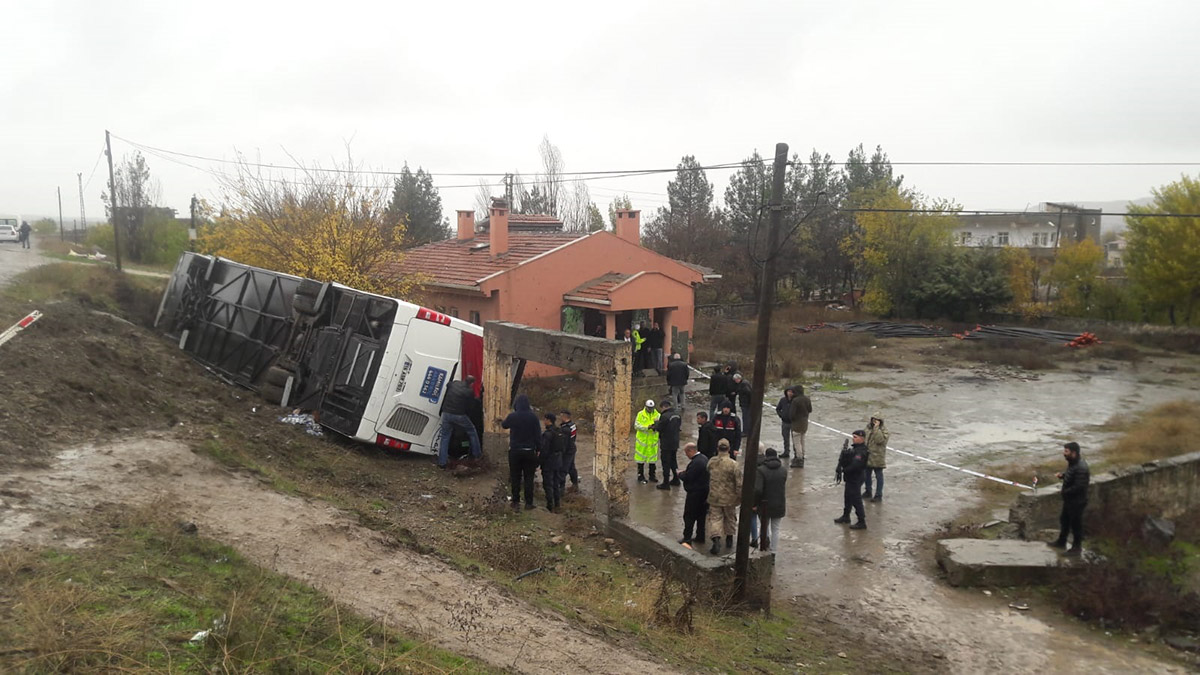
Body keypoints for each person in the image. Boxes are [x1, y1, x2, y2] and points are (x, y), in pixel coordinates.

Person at [501, 394, 541, 510]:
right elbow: (538, 436)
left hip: (515, 451)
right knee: (529, 478)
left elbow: (504, 425)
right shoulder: (533, 417)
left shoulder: (513, 416)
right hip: (529, 451)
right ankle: (529, 503)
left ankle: (515, 501)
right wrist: (538, 449)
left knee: (515, 477)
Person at [1051, 441, 1090, 556]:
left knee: (1076, 525)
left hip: (1077, 502)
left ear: (1073, 453)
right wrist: (1063, 476)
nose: (1064, 454)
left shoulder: (1081, 467)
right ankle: (1061, 542)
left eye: (1066, 451)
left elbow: (1079, 486)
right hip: (1070, 501)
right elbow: (1071, 475)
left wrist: (1065, 491)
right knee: (1064, 521)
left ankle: (1076, 548)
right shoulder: (1073, 463)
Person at [437, 375, 482, 469]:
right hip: (459, 415)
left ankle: (442, 462)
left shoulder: (454, 384)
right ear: (472, 383)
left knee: (445, 437)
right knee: (472, 431)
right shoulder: (469, 391)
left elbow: (448, 385)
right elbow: (471, 405)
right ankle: (477, 455)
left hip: (446, 413)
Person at [706, 439, 741, 554]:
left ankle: (716, 539)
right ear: (729, 449)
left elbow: (708, 471)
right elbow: (739, 483)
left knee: (715, 519)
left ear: (717, 448)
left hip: (714, 496)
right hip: (730, 498)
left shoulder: (712, 462)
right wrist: (740, 497)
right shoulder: (734, 465)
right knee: (730, 518)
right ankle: (729, 538)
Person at [754, 447, 788, 552]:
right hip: (779, 503)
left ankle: (764, 546)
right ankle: (773, 552)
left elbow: (758, 490)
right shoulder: (783, 470)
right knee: (776, 528)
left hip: (765, 504)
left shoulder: (761, 470)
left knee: (764, 526)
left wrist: (755, 503)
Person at [834, 432, 869, 529]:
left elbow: (856, 465)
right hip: (851, 477)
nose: (853, 439)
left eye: (855, 437)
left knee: (856, 499)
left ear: (862, 438)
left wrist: (844, 470)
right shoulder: (855, 449)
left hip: (856, 477)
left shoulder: (861, 451)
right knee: (848, 497)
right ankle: (846, 516)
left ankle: (861, 521)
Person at [678, 442, 709, 547]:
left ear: (690, 451)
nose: (686, 456)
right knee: (701, 516)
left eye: (686, 453)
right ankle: (700, 536)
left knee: (689, 516)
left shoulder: (696, 462)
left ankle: (687, 538)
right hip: (705, 493)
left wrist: (680, 474)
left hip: (695, 494)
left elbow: (689, 477)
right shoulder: (704, 458)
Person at [655, 399, 683, 489]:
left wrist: (655, 423)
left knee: (666, 463)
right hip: (675, 442)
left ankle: (666, 483)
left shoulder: (664, 416)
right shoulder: (677, 415)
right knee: (673, 461)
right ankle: (676, 478)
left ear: (663, 407)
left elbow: (659, 427)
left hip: (666, 443)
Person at [540, 413, 564, 512]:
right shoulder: (559, 431)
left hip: (549, 461)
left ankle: (550, 505)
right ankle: (557, 503)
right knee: (556, 482)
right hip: (558, 460)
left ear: (548, 420)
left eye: (544, 419)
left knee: (548, 484)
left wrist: (539, 461)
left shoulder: (548, 434)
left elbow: (544, 449)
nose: (543, 422)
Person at [862, 412, 889, 502]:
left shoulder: (884, 431)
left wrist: (876, 428)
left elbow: (879, 440)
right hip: (868, 456)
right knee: (866, 475)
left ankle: (878, 495)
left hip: (878, 457)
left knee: (879, 476)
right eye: (873, 420)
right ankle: (868, 491)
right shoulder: (868, 428)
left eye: (877, 420)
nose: (874, 422)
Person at [634, 399, 660, 484]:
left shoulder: (657, 415)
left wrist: (655, 427)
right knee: (641, 460)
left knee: (652, 460)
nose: (650, 409)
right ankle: (640, 476)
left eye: (651, 408)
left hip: (652, 442)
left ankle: (652, 475)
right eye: (649, 408)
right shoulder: (640, 414)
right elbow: (637, 426)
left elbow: (660, 425)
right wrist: (647, 427)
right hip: (643, 441)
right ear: (646, 407)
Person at [788, 385, 813, 468]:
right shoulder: (807, 399)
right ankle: (802, 455)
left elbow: (791, 414)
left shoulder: (795, 401)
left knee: (797, 443)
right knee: (802, 441)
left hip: (796, 424)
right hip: (805, 423)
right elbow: (810, 410)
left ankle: (799, 459)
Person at [559, 409, 579, 492]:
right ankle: (575, 484)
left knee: (563, 469)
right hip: (572, 448)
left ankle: (561, 489)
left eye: (561, 416)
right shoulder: (572, 425)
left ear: (564, 416)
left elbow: (564, 442)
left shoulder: (565, 429)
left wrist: (562, 451)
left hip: (567, 451)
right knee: (571, 467)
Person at [775, 387, 796, 458]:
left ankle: (796, 453)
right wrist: (781, 415)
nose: (790, 393)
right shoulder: (783, 400)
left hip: (794, 423)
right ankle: (786, 451)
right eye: (788, 391)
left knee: (795, 439)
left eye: (791, 392)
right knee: (785, 438)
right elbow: (778, 409)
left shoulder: (795, 401)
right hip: (785, 422)